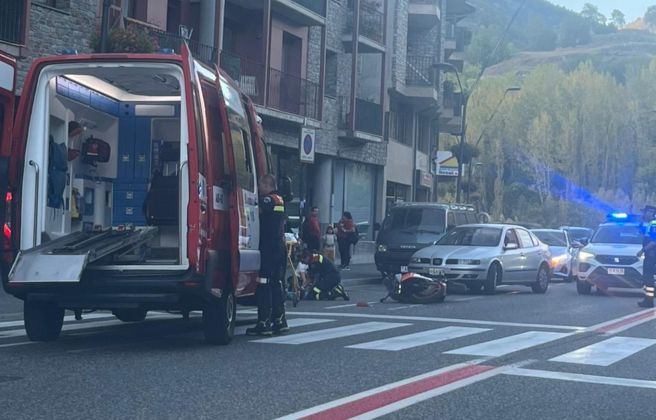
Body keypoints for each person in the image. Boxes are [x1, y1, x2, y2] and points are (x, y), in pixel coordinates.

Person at [246, 174, 290, 336]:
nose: (260, 189)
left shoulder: (268, 200)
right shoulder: (280, 200)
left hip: (268, 247)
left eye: (261, 185)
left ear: (266, 185)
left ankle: (263, 322)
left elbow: (254, 212)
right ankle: (279, 320)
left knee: (263, 283)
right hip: (279, 246)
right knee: (276, 283)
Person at [637, 206, 656, 308]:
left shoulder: (654, 224)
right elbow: (640, 232)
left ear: (651, 213)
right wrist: (641, 221)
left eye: (646, 212)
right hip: (650, 254)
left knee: (648, 277)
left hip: (652, 254)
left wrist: (643, 250)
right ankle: (647, 299)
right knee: (647, 277)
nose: (644, 214)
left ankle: (649, 301)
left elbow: (654, 241)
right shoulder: (650, 223)